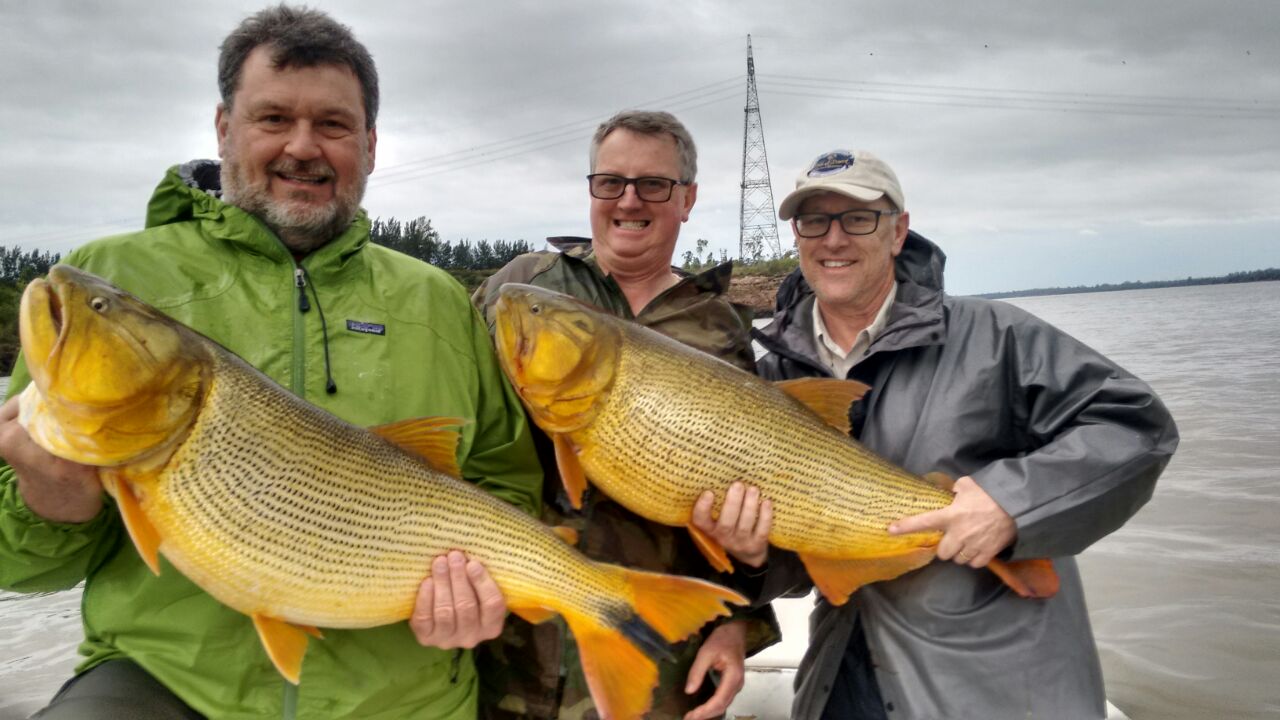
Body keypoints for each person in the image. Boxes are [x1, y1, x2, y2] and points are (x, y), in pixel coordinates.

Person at [0, 6, 541, 719]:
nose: (302, 147)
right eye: (273, 118)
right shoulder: (111, 276)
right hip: (164, 681)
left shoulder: (439, 303)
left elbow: (506, 486)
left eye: (333, 125)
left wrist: (485, 592)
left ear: (371, 145)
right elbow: (22, 568)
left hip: (403, 693)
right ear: (224, 128)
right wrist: (54, 504)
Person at [702, 148, 1179, 719]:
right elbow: (801, 563)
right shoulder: (770, 372)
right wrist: (753, 556)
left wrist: (1011, 504)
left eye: (858, 218)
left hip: (989, 684)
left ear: (899, 231)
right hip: (840, 674)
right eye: (814, 221)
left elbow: (1135, 426)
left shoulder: (996, 335)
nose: (834, 239)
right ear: (797, 237)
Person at [472, 110, 779, 720]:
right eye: (610, 181)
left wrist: (739, 621)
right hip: (508, 644)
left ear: (687, 199)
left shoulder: (720, 327)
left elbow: (754, 489)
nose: (628, 200)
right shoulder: (523, 290)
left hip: (653, 656)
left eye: (653, 184)